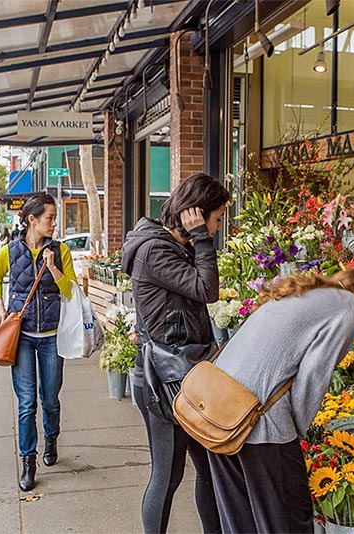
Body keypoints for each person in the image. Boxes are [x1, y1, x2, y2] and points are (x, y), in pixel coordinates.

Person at [205, 267, 354, 533]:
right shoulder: (352, 306)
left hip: (216, 410)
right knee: (289, 520)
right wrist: (296, 433)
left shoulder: (300, 294)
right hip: (260, 421)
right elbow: (315, 372)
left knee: (240, 521)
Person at [121, 173, 231, 534]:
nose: (216, 228)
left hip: (187, 375)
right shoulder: (156, 249)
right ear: (195, 214)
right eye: (215, 219)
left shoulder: (171, 245)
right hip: (163, 381)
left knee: (210, 469)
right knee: (168, 475)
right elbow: (206, 289)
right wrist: (201, 237)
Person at [0, 194, 77, 492]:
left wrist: (53, 268)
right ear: (32, 220)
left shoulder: (61, 251)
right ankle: (28, 460)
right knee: (26, 402)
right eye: (50, 217)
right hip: (23, 338)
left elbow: (70, 292)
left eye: (54, 218)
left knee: (50, 398)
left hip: (52, 337)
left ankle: (51, 437)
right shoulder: (10, 251)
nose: (54, 223)